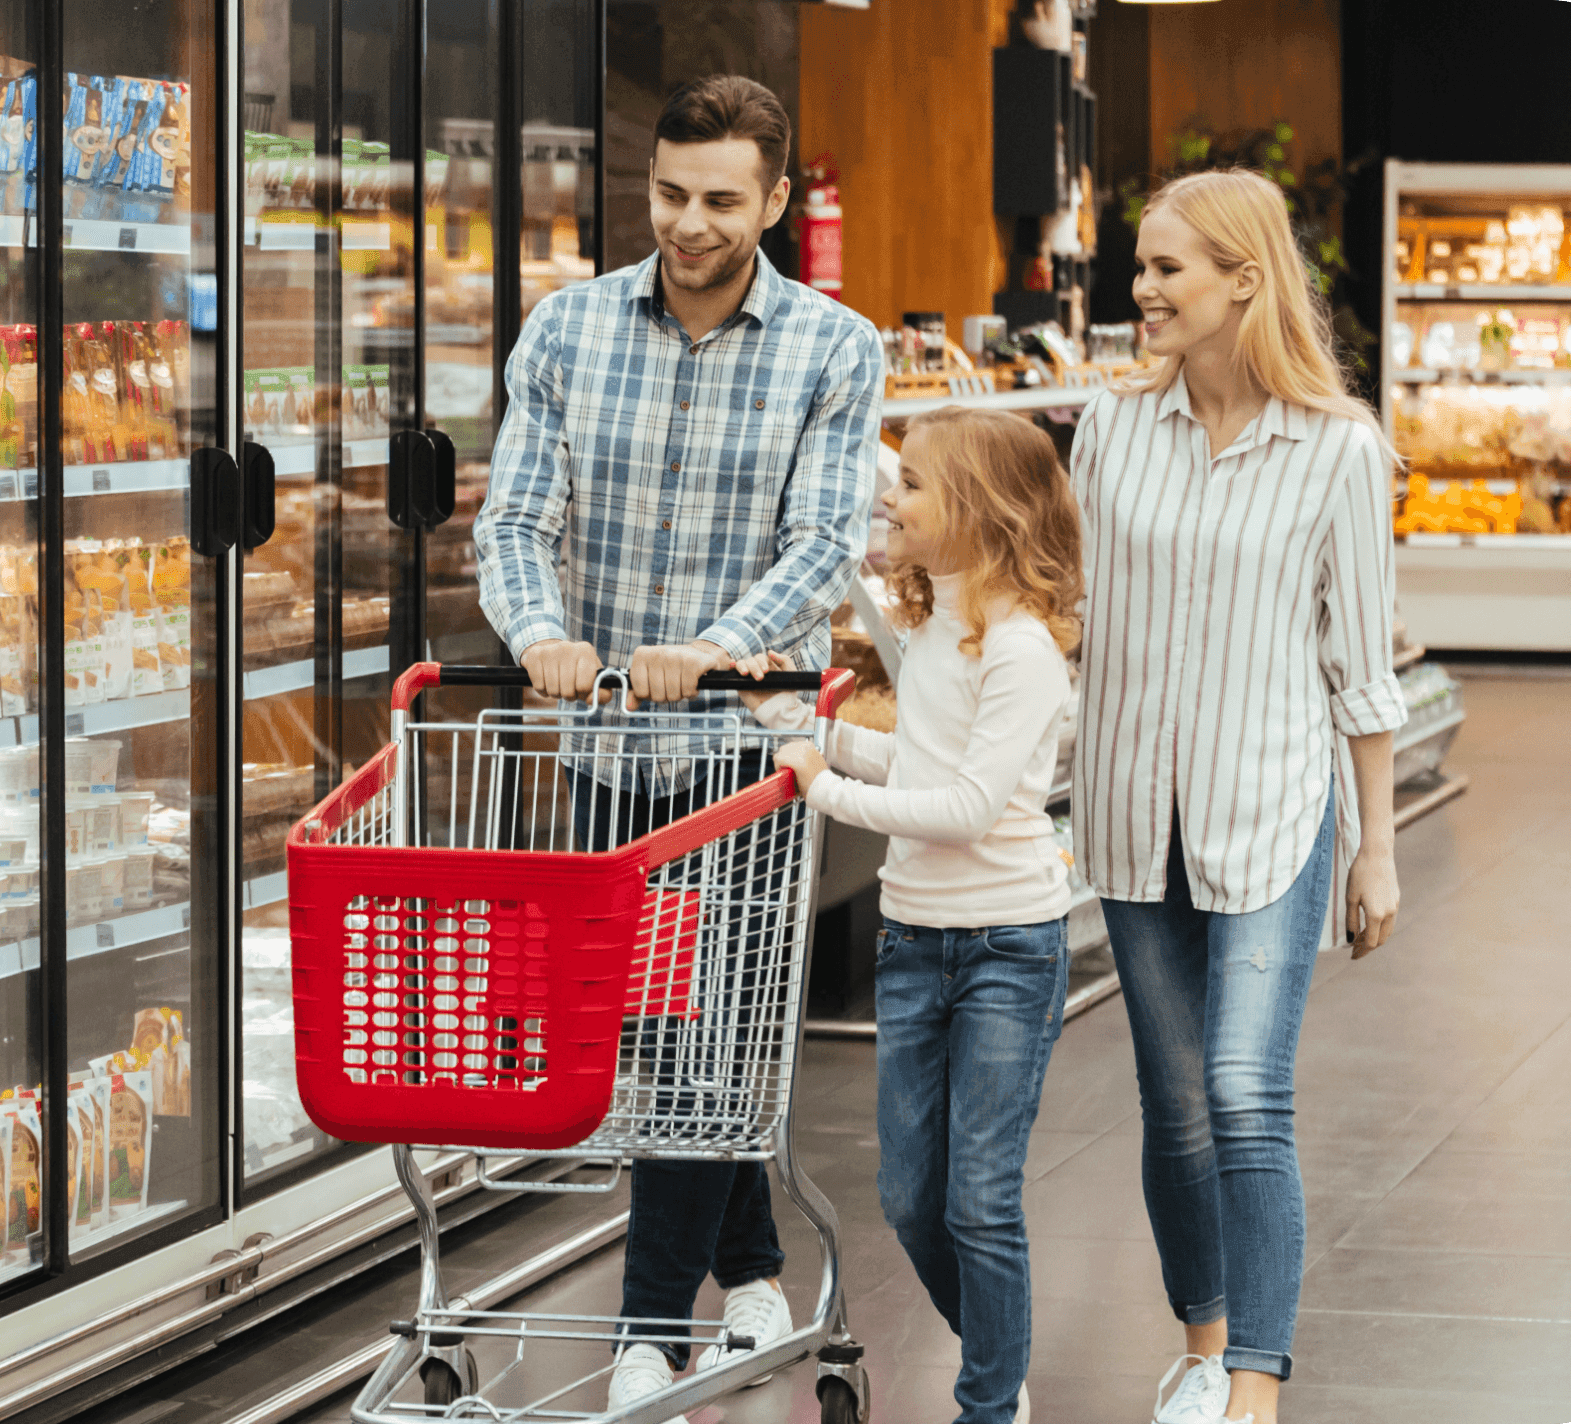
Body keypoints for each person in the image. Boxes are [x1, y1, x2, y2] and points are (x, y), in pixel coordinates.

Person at [473, 74, 882, 1418]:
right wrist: (539, 630)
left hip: (748, 750)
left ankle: (650, 1329)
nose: (690, 224)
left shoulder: (833, 346)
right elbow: (516, 519)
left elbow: (824, 543)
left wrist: (710, 648)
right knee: (659, 1034)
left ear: (773, 201)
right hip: (602, 753)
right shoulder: (568, 327)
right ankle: (754, 1266)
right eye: (668, 195)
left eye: (721, 200)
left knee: (716, 1045)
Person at [1069, 169, 1406, 1424]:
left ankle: (1255, 1384)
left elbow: (1358, 665)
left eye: (1164, 269)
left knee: (1242, 1089)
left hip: (1267, 806)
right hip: (1125, 812)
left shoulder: (1337, 450)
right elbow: (1075, 608)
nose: (1139, 290)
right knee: (1172, 1102)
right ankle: (1203, 1341)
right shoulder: (1109, 429)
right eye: (1140, 266)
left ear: (1242, 282)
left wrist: (1375, 846)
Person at [736, 407, 1083, 1424]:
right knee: (904, 1196)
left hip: (1005, 951)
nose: (894, 497)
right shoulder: (936, 628)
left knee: (977, 1196)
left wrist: (817, 789)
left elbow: (969, 808)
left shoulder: (1020, 651)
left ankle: (987, 1401)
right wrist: (807, 731)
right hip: (911, 944)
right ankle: (997, 1353)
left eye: (917, 484)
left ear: (982, 510)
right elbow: (920, 763)